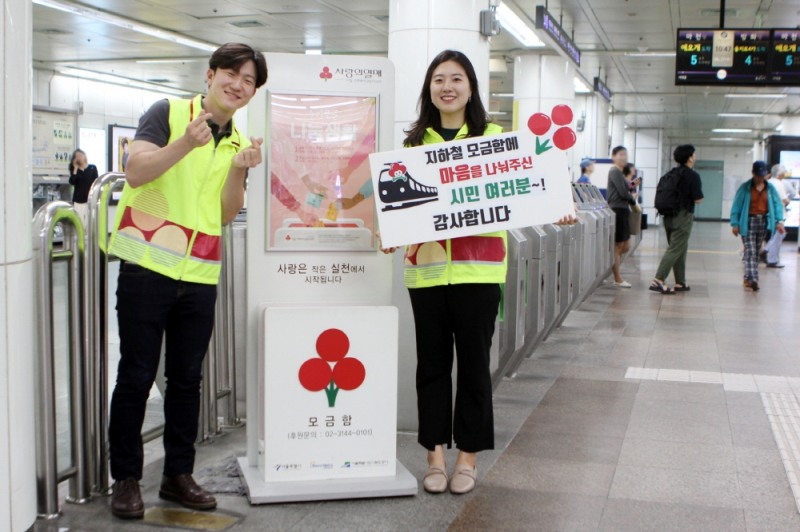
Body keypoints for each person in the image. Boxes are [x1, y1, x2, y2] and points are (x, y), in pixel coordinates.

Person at [380, 49, 575, 496]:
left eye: (457, 79)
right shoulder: (412, 147)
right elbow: (398, 207)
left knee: (472, 367)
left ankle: (466, 459)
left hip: (480, 271)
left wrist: (556, 206)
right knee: (431, 367)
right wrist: (389, 230)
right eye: (438, 80)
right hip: (425, 273)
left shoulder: (496, 140)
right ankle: (434, 455)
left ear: (471, 87)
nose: (447, 87)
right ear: (428, 89)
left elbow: (525, 190)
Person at [106, 43, 267, 519]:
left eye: (249, 81)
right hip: (146, 267)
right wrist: (185, 144)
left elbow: (222, 212)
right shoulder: (168, 113)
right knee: (135, 376)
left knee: (186, 380)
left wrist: (239, 174)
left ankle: (178, 474)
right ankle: (127, 479)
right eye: (231, 74)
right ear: (210, 74)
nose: (238, 85)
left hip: (198, 272)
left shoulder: (239, 141)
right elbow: (136, 172)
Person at [649, 145, 704, 294]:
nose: (695, 157)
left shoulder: (670, 174)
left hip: (668, 216)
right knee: (675, 248)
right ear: (690, 157)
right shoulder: (692, 175)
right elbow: (698, 199)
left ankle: (680, 282)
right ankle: (658, 280)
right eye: (694, 154)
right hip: (683, 216)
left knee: (680, 247)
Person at [730, 161, 785, 291]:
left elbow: (777, 205)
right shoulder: (745, 188)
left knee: (755, 251)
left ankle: (747, 278)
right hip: (747, 221)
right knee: (750, 250)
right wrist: (734, 223)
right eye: (757, 175)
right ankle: (753, 278)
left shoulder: (770, 189)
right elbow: (736, 206)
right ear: (753, 173)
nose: (760, 178)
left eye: (762, 175)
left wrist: (779, 221)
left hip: (763, 223)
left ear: (766, 175)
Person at [606, 146, 636, 288]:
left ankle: (612, 269)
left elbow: (625, 190)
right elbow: (623, 193)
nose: (624, 157)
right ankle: (617, 278)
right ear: (613, 156)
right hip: (617, 210)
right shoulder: (614, 171)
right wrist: (632, 199)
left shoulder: (619, 173)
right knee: (618, 246)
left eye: (625, 154)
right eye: (620, 154)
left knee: (625, 246)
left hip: (623, 210)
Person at [764, 164, 791, 268]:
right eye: (783, 172)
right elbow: (784, 200)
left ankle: (767, 251)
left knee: (776, 235)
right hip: (778, 214)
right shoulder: (779, 184)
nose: (784, 174)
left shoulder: (769, 182)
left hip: (769, 214)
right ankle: (771, 258)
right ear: (780, 174)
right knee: (779, 235)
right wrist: (788, 201)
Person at [68, 148, 99, 226]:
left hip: (89, 200)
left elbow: (96, 182)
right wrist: (75, 169)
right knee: (79, 222)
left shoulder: (92, 168)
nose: (79, 158)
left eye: (81, 155)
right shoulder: (75, 170)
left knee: (89, 223)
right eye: (77, 156)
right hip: (79, 200)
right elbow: (72, 181)